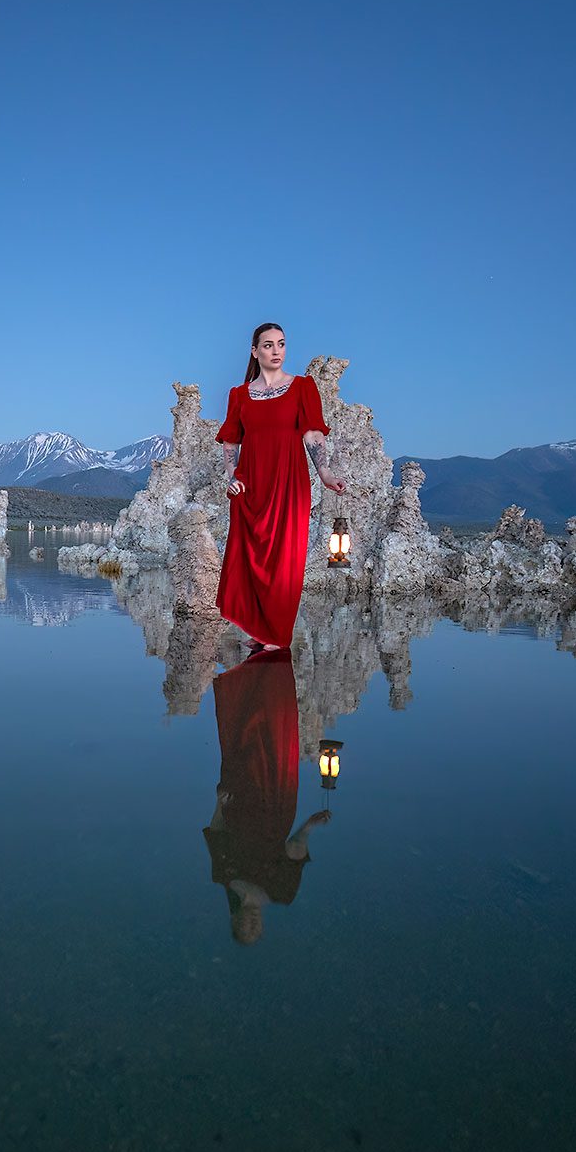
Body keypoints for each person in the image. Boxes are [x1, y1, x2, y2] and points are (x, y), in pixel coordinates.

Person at [214, 322, 347, 652]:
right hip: (250, 487)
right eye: (269, 345)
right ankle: (259, 632)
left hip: (289, 484)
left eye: (281, 344)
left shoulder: (302, 387)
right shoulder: (239, 395)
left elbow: (313, 435)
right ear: (255, 351)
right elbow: (230, 441)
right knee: (249, 559)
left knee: (285, 562)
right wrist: (232, 475)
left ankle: (275, 635)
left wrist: (325, 473)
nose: (276, 351)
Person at [204, 647, 332, 945]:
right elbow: (295, 850)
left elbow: (216, 831)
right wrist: (311, 825)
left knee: (243, 741)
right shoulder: (282, 892)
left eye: (242, 927)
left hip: (238, 802)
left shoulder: (223, 876)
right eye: (254, 929)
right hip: (275, 808)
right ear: (261, 927)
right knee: (270, 744)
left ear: (234, 920)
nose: (249, 923)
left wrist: (219, 801)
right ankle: (273, 675)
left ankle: (253, 667)